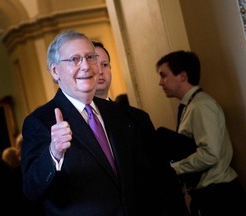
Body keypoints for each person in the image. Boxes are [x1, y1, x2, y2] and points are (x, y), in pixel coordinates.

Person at [21, 30, 189, 216]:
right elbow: (32, 190)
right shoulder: (40, 121)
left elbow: (146, 180)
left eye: (90, 57)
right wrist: (54, 153)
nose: (86, 66)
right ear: (55, 71)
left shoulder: (117, 113)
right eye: (75, 59)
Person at [93, 40, 189, 214]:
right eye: (94, 64)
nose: (100, 71)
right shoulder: (74, 124)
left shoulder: (137, 118)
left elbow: (162, 174)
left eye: (105, 64)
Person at [156, 50, 246, 216]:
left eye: (164, 75)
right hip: (211, 195)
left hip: (221, 197)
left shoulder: (201, 105)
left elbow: (210, 154)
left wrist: (172, 169)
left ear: (182, 76)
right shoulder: (191, 106)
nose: (160, 82)